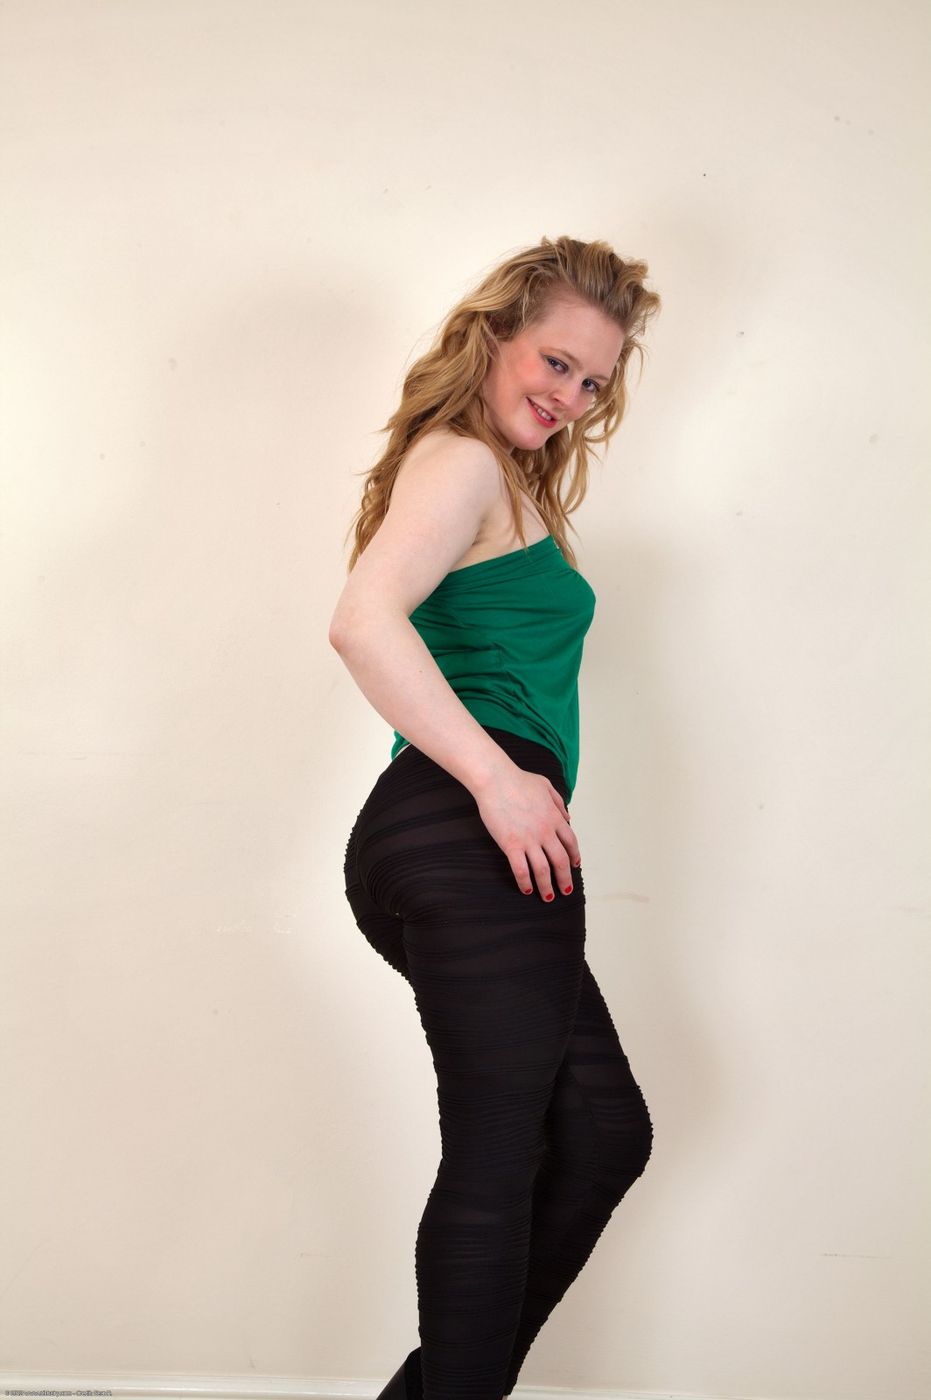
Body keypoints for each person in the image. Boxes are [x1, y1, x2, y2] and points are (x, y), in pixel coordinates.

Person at [330, 235, 662, 1400]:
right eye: (555, 361)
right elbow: (363, 619)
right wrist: (495, 778)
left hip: (465, 835)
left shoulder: (503, 478)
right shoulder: (461, 458)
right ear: (493, 335)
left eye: (593, 381)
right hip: (470, 819)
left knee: (604, 1129)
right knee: (498, 1151)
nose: (570, 395)